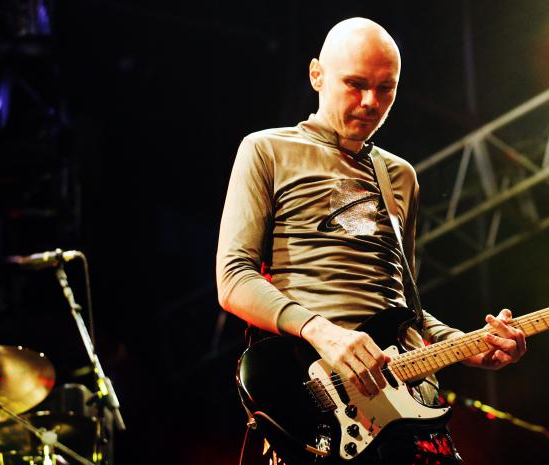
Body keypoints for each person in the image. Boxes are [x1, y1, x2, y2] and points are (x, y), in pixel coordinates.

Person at [216, 17, 527, 465]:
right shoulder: (266, 150)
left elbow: (406, 314)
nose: (370, 102)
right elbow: (233, 278)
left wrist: (473, 346)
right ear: (316, 75)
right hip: (315, 398)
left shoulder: (400, 176)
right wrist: (323, 332)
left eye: (386, 89)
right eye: (356, 84)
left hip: (402, 407)